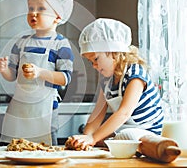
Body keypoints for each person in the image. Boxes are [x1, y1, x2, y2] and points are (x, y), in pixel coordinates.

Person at [0, 0, 74, 146]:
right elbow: (12, 76)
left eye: (41, 9)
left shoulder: (60, 44)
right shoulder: (22, 42)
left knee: (43, 151)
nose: (34, 13)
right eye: (31, 9)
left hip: (45, 110)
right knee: (15, 148)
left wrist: (40, 72)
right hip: (19, 108)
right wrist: (3, 70)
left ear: (58, 16)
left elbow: (65, 78)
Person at [69, 18, 164, 150]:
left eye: (96, 59)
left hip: (147, 130)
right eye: (91, 62)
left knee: (125, 135)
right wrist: (86, 137)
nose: (94, 66)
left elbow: (124, 113)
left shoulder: (135, 74)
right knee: (108, 136)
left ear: (115, 52)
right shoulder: (105, 80)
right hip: (125, 128)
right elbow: (97, 114)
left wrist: (93, 138)